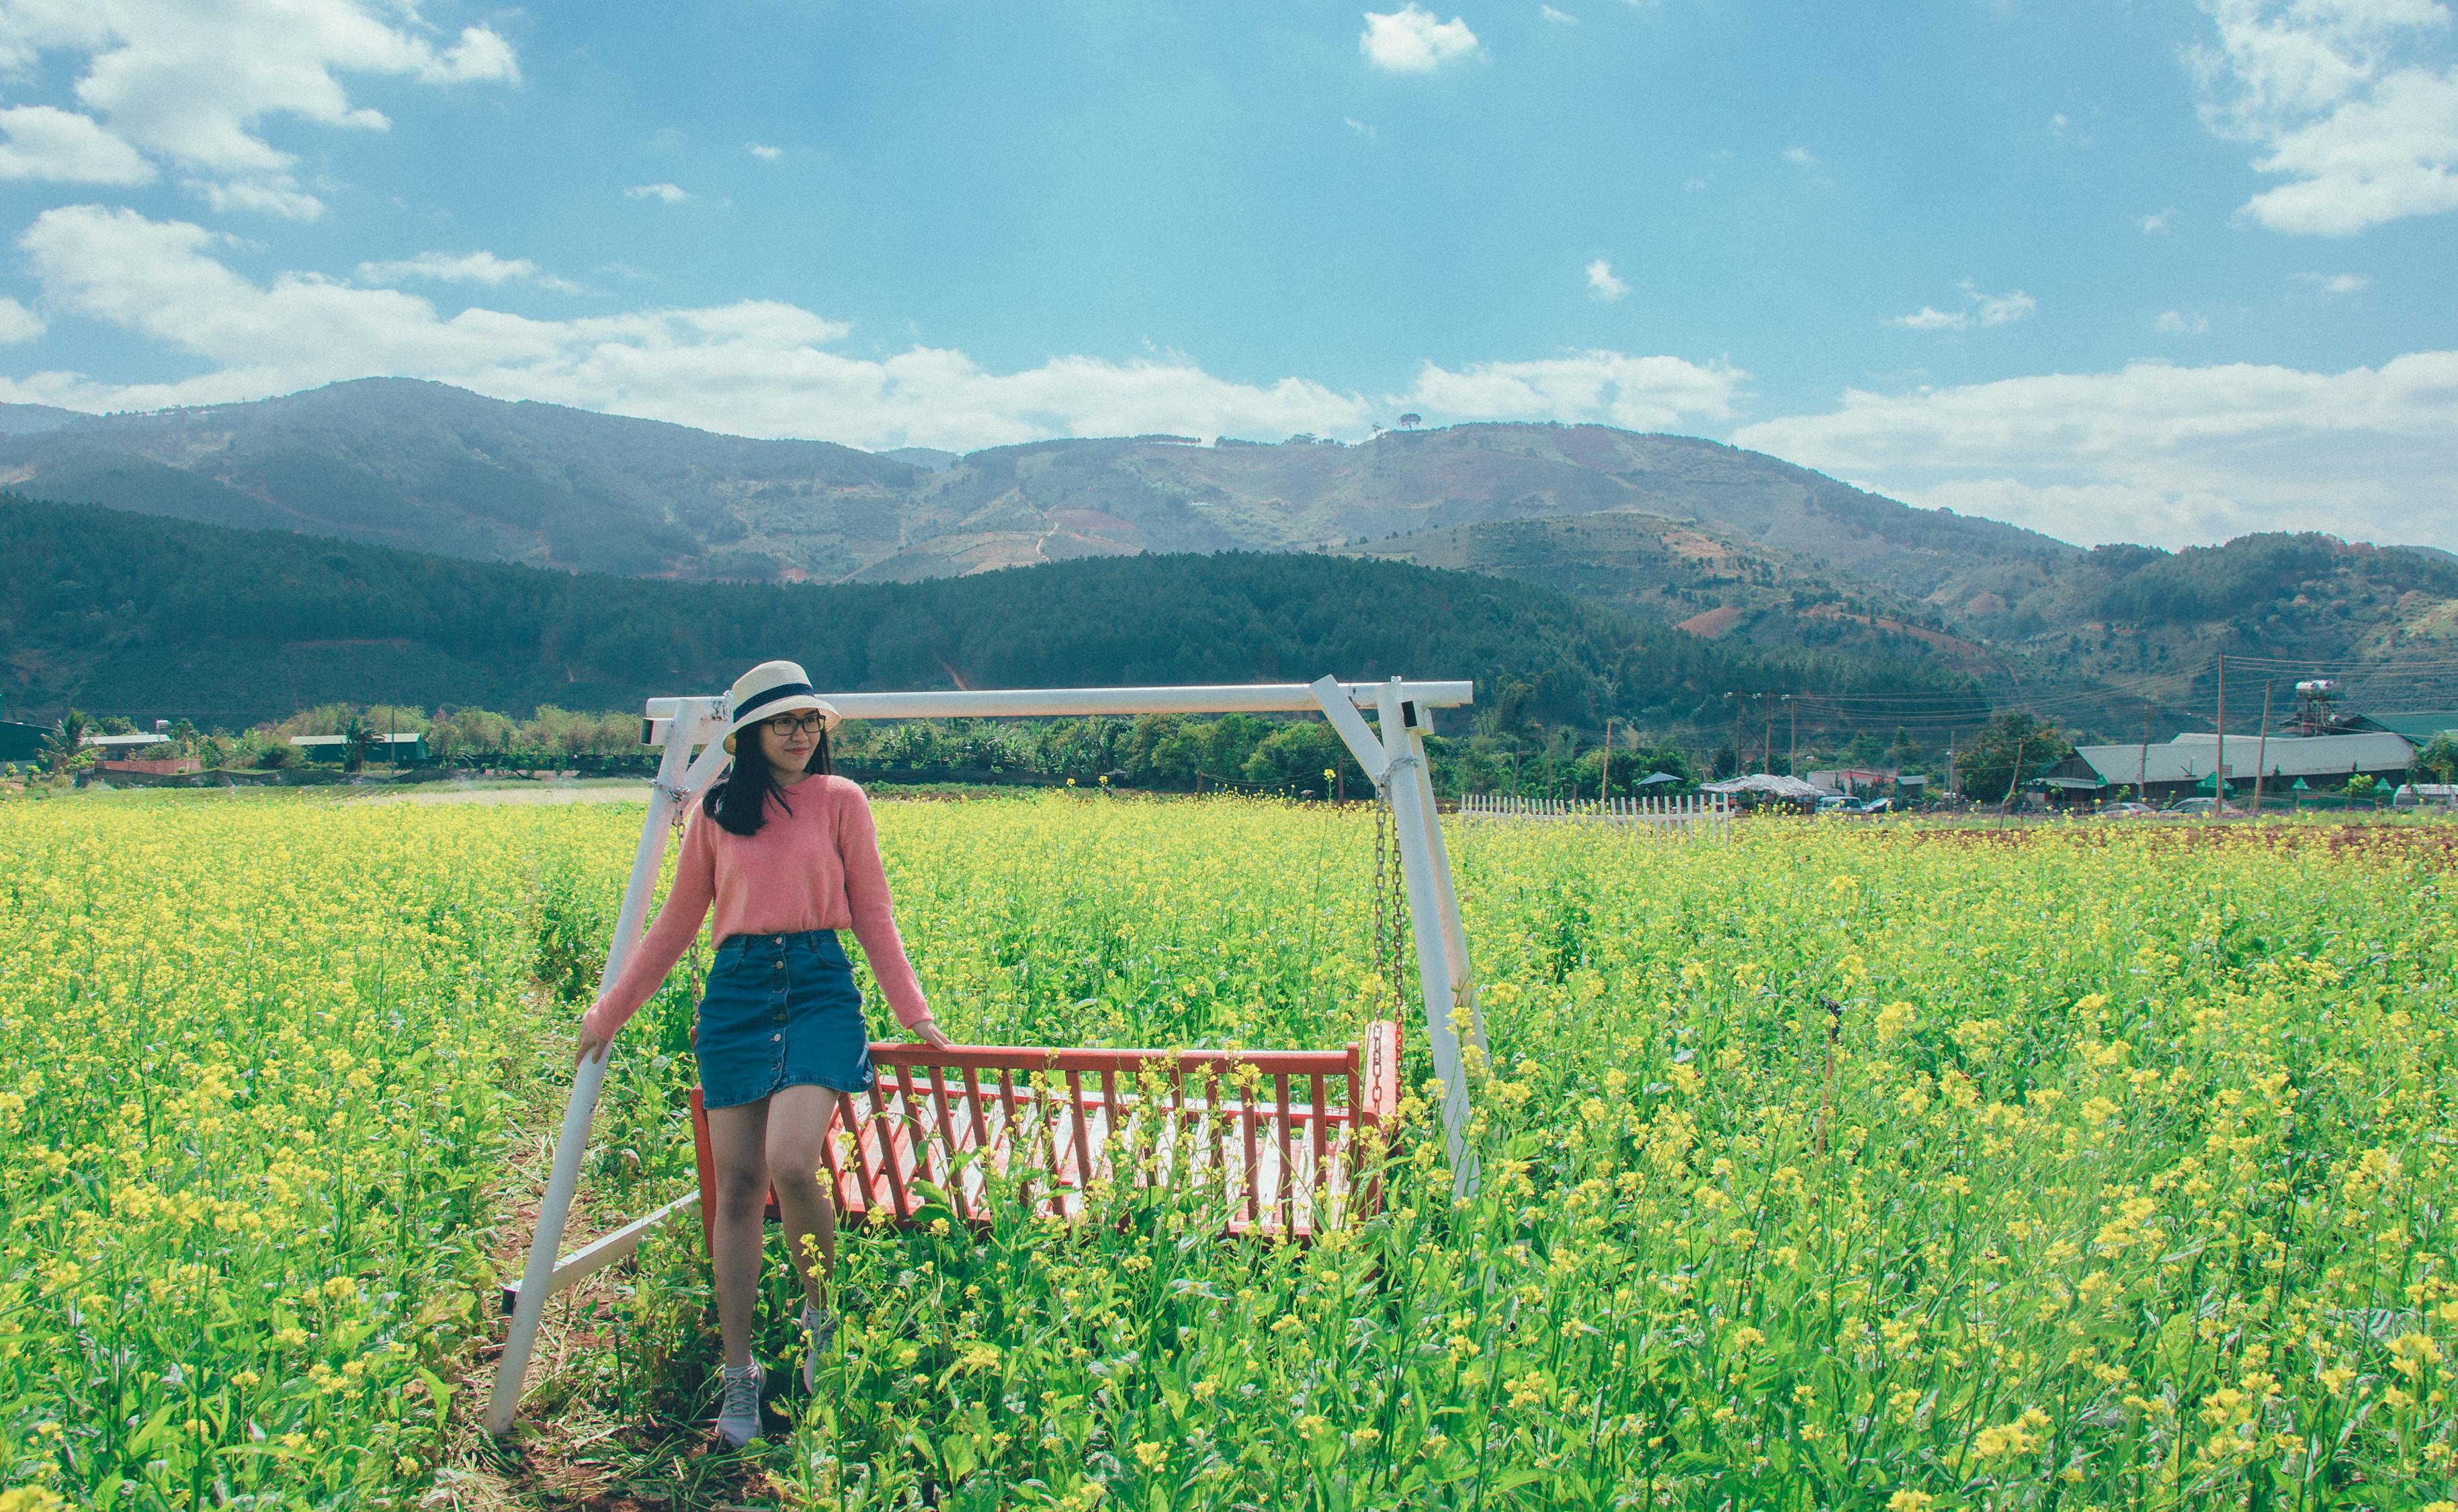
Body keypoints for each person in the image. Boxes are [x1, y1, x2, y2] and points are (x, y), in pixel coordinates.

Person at [575, 659, 951, 1447]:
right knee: (738, 1187)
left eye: (809, 720)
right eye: (784, 722)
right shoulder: (717, 812)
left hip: (819, 987)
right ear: (749, 735)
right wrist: (609, 1012)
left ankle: (823, 1320)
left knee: (789, 1160)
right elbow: (677, 926)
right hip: (738, 995)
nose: (801, 732)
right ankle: (739, 1375)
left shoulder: (842, 801)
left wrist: (916, 1015)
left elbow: (874, 914)